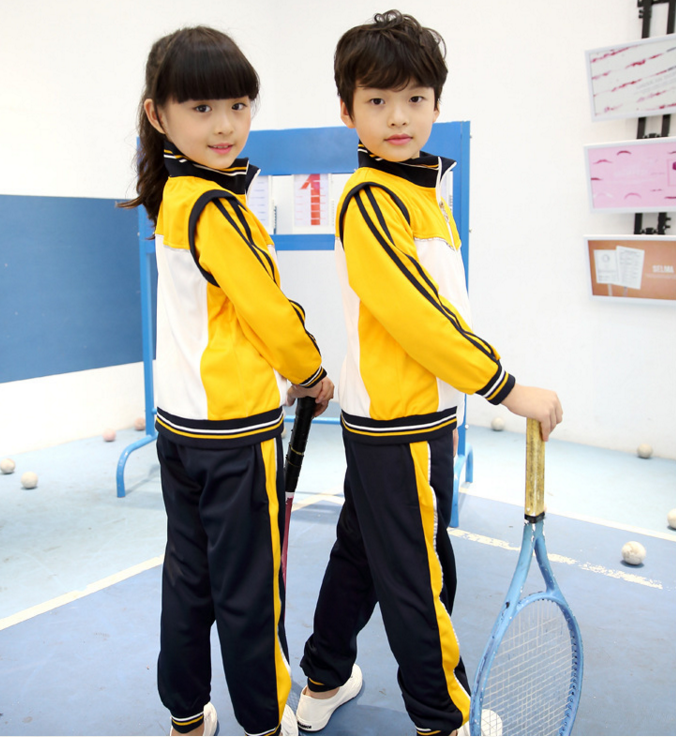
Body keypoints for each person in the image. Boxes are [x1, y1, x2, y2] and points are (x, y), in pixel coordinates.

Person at [295, 10, 563, 736]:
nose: (397, 116)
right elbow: (417, 318)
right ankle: (442, 718)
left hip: (412, 421)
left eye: (414, 98)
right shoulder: (370, 199)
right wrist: (507, 386)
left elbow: (445, 313)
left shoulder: (423, 195)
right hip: (400, 426)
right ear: (346, 110)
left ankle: (320, 678)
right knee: (420, 577)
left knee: (360, 552)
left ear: (436, 104)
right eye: (376, 101)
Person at [122, 26, 334, 737]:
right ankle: (262, 722)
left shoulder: (175, 196)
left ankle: (186, 715)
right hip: (235, 434)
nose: (225, 126)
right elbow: (267, 313)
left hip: (179, 428)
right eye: (202, 108)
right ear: (159, 115)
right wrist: (309, 372)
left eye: (239, 106)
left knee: (189, 578)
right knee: (249, 590)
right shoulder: (214, 205)